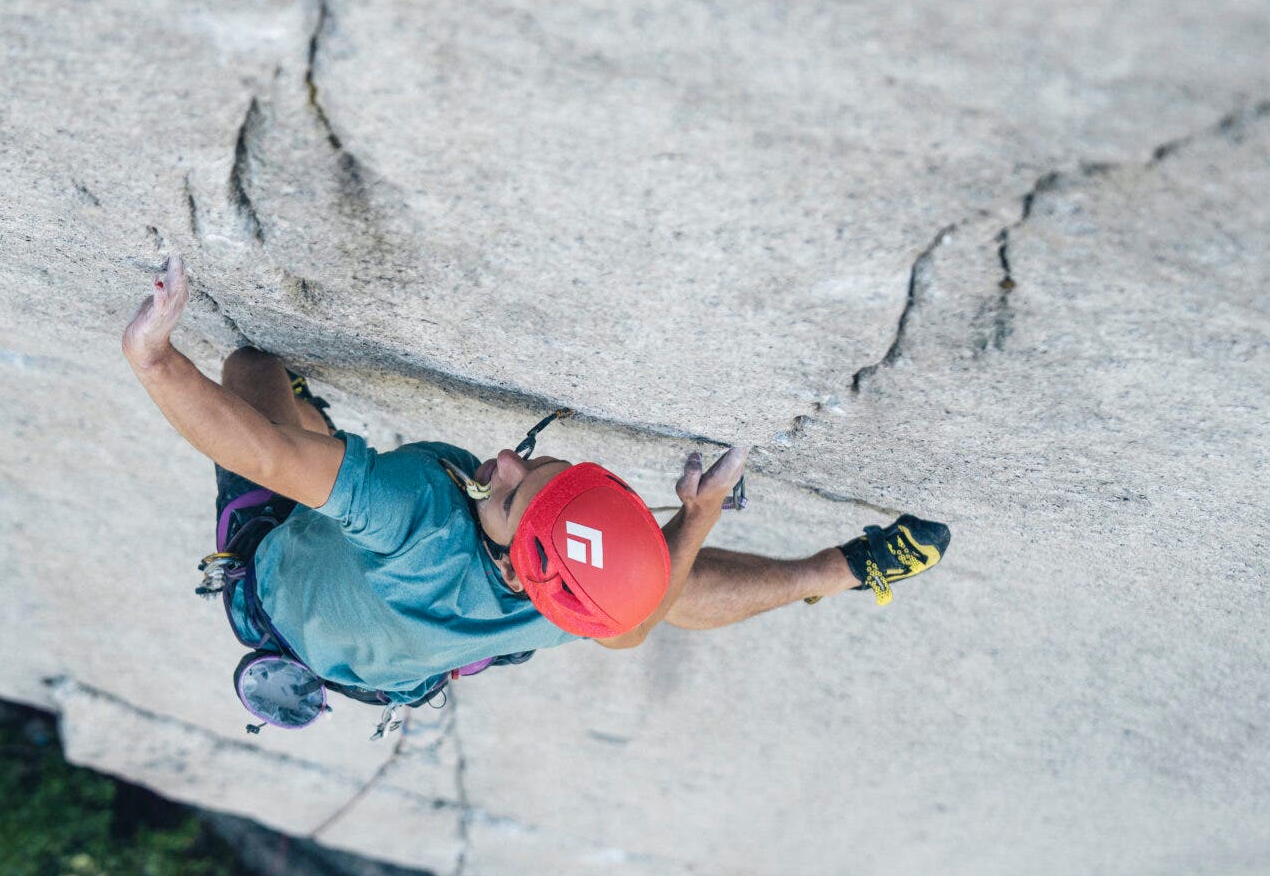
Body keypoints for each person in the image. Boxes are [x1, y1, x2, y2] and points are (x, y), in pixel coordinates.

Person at [119, 256, 950, 704]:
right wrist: (694, 519)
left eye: (513, 491)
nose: (507, 462)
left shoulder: (416, 515)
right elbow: (633, 624)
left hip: (275, 599)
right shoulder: (564, 601)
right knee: (648, 583)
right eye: (539, 468)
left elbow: (266, 457)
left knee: (250, 368)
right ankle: (836, 571)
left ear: (525, 573)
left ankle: (309, 416)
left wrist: (153, 358)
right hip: (391, 673)